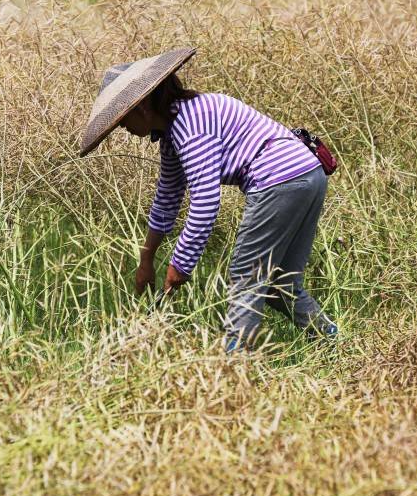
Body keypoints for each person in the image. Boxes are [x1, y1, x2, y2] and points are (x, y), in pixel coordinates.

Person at [80, 47, 338, 349]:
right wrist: (146, 260)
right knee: (279, 282)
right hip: (307, 174)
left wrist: (180, 265)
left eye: (122, 120)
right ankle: (330, 339)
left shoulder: (191, 128)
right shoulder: (175, 129)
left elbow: (204, 205)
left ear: (142, 108)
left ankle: (234, 366)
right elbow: (167, 197)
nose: (122, 128)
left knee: (246, 276)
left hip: (279, 180)